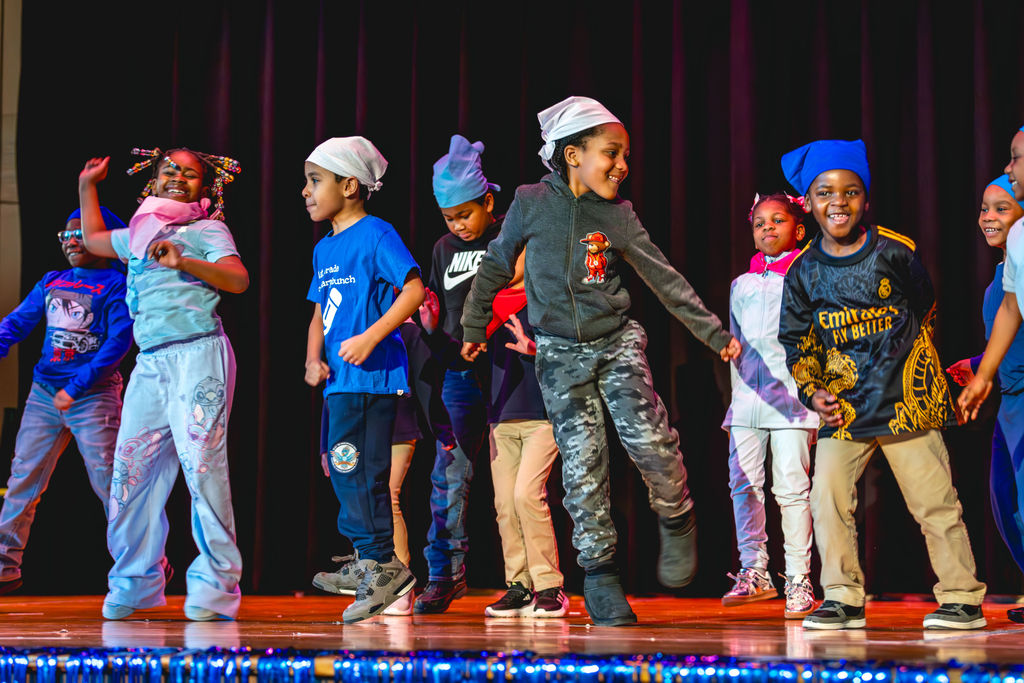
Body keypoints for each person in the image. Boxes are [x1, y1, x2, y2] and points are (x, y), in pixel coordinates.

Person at [461, 96, 740, 626]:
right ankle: (601, 576)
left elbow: (663, 277)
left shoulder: (619, 215)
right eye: (611, 153)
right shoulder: (529, 201)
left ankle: (676, 514)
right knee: (583, 470)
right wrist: (475, 328)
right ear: (572, 154)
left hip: (615, 342)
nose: (623, 165)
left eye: (626, 156)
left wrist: (712, 333)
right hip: (559, 354)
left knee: (650, 442)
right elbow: (497, 265)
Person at [777, 139, 986, 630]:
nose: (839, 202)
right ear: (808, 204)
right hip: (843, 411)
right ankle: (843, 598)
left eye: (850, 192)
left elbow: (925, 307)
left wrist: (914, 374)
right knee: (825, 499)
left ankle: (962, 598)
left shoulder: (895, 251)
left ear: (865, 200)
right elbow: (796, 340)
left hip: (904, 403)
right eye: (825, 192)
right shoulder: (803, 270)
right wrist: (813, 392)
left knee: (935, 502)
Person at [78, 147, 249, 621]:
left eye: (190, 174)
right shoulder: (137, 233)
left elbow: (237, 279)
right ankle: (136, 580)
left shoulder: (207, 229)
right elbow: (92, 238)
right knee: (131, 473)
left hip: (198, 356)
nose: (178, 178)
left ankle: (216, 585)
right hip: (151, 365)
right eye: (169, 170)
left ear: (204, 187)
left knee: (202, 468)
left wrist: (184, 262)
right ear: (152, 180)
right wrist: (88, 185)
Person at [302, 136, 424, 623]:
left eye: (315, 181)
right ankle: (372, 561)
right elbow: (318, 311)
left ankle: (383, 566)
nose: (306, 191)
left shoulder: (376, 233)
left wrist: (371, 337)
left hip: (373, 379)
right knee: (344, 472)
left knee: (365, 474)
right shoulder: (325, 248)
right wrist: (313, 357)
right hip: (341, 382)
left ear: (349, 184)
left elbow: (413, 290)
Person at [423, 255, 568, 618]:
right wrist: (432, 329)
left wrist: (538, 349)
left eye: (515, 251)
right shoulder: (487, 306)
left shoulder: (549, 296)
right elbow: (461, 359)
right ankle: (518, 586)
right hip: (501, 419)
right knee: (504, 504)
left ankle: (550, 586)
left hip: (543, 417)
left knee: (526, 496)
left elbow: (574, 353)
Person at [0, 207, 133, 594]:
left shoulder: (117, 285)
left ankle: (142, 566)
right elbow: (18, 321)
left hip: (93, 396)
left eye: (80, 234)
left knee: (111, 483)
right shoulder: (52, 281)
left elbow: (117, 343)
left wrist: (76, 386)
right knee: (23, 477)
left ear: (103, 237)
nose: (71, 241)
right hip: (44, 394)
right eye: (65, 235)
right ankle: (5, 567)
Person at [312, 317, 459, 617]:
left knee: (386, 496)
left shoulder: (406, 330)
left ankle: (398, 582)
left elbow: (424, 380)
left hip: (398, 428)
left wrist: (442, 428)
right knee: (362, 500)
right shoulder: (350, 326)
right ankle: (372, 574)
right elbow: (334, 389)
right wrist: (326, 443)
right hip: (355, 426)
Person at [415, 134, 503, 614]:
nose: (458, 225)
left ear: (488, 201)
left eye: (466, 214)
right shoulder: (443, 249)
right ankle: (444, 572)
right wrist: (428, 328)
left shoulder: (511, 236)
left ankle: (534, 580)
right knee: (449, 474)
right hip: (458, 374)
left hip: (512, 372)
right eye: (450, 217)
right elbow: (435, 310)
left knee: (520, 480)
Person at [720, 193, 818, 619]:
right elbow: (734, 344)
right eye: (760, 222)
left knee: (791, 490)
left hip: (793, 400)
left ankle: (799, 578)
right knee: (743, 485)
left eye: (778, 221)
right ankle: (754, 570)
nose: (767, 229)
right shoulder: (740, 285)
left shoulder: (807, 274)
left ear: (798, 229)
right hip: (746, 402)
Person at [954, 160, 1024, 626]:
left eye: (1002, 207)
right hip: (1008, 404)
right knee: (1004, 500)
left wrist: (985, 369)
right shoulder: (995, 284)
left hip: (1020, 398)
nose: (989, 217)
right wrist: (978, 367)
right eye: (984, 208)